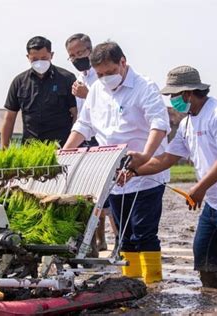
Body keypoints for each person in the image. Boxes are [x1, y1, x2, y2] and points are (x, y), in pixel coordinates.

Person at [122, 66, 217, 291]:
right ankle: (210, 296)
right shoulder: (187, 122)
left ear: (187, 93)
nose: (172, 100)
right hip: (214, 200)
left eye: (173, 96)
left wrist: (199, 188)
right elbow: (166, 159)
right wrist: (135, 172)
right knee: (204, 258)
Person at [63, 41, 171, 284]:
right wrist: (65, 152)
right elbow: (84, 125)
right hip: (113, 174)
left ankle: (153, 283)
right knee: (124, 234)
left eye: (110, 72)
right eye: (100, 74)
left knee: (144, 232)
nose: (105, 78)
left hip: (145, 174)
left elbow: (159, 124)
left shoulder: (144, 87)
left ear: (123, 62)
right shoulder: (97, 91)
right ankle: (131, 282)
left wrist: (145, 155)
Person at [65, 33, 117, 252]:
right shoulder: (81, 79)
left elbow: (111, 104)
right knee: (90, 192)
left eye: (81, 53)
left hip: (104, 138)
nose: (77, 58)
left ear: (90, 50)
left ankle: (118, 239)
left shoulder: (102, 76)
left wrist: (88, 95)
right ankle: (96, 241)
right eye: (72, 55)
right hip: (86, 139)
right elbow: (82, 117)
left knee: (111, 192)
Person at [1, 36, 78, 148]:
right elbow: (9, 118)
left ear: (51, 55)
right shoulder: (19, 82)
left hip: (61, 147)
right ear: (28, 57)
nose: (40, 62)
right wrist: (4, 150)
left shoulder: (67, 79)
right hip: (30, 150)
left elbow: (76, 114)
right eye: (35, 59)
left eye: (44, 58)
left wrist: (71, 147)